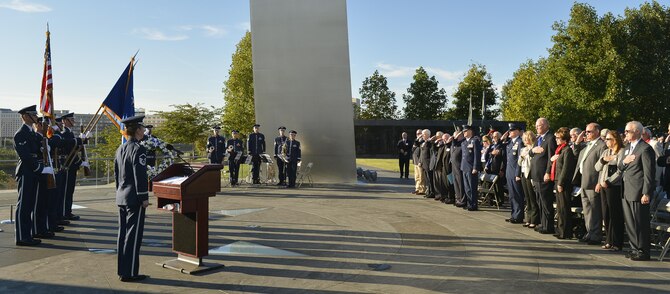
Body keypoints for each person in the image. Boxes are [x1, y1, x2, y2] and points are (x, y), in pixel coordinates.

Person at [114, 115, 150, 282]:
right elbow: (140, 175)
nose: (144, 131)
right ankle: (130, 273)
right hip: (134, 198)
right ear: (136, 130)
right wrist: (144, 197)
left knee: (123, 235)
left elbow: (117, 175)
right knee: (133, 237)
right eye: (142, 128)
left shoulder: (120, 149)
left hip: (122, 197)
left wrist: (119, 193)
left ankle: (123, 270)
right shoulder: (138, 149)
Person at [618, 121, 655, 261]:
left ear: (638, 132)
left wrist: (647, 192)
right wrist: (624, 162)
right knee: (630, 222)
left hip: (638, 191)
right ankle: (634, 248)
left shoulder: (645, 149)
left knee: (640, 222)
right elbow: (620, 168)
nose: (625, 133)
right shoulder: (628, 148)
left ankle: (643, 250)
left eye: (628, 131)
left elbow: (649, 173)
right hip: (627, 190)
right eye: (625, 131)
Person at [13, 105, 44, 246]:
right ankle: (21, 237)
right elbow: (25, 156)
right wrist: (38, 167)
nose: (36, 117)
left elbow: (37, 150)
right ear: (25, 116)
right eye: (33, 114)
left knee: (30, 203)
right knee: (24, 204)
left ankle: (28, 235)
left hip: (33, 171)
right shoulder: (20, 133)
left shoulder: (32, 133)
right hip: (26, 171)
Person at [572, 123, 606, 245]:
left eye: (589, 132)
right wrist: (577, 142)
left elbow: (603, 166)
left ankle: (596, 235)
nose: (587, 134)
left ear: (597, 131)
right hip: (583, 181)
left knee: (595, 210)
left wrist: (599, 182)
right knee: (587, 209)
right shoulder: (587, 145)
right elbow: (576, 155)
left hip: (593, 182)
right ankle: (589, 232)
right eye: (586, 132)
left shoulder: (601, 145)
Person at [594, 130, 625, 251]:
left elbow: (620, 171)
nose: (606, 141)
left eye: (608, 139)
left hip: (614, 186)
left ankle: (617, 241)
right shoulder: (606, 151)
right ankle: (608, 240)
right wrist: (603, 160)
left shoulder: (621, 152)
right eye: (605, 139)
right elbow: (597, 167)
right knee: (606, 213)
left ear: (615, 140)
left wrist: (608, 181)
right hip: (603, 185)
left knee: (615, 214)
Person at [529, 118, 556, 234]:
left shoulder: (550, 138)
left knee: (546, 202)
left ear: (545, 125)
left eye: (539, 125)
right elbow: (531, 153)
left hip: (543, 175)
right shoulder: (539, 138)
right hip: (536, 175)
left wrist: (548, 172)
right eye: (536, 125)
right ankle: (543, 223)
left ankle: (548, 226)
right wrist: (533, 150)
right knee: (539, 201)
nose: (537, 127)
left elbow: (551, 157)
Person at [551, 127, 576, 239]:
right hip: (558, 180)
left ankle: (566, 232)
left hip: (563, 182)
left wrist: (560, 183)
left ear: (564, 139)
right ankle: (560, 229)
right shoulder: (560, 150)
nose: (556, 139)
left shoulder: (567, 150)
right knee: (560, 208)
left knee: (564, 207)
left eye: (558, 138)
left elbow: (566, 169)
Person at [60, 113, 83, 221]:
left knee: (70, 190)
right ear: (64, 121)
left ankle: (67, 211)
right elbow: (69, 149)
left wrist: (83, 141)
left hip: (72, 165)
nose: (73, 121)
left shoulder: (70, 133)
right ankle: (64, 212)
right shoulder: (64, 133)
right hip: (67, 165)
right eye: (71, 119)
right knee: (66, 191)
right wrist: (77, 141)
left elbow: (75, 149)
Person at [501, 124, 524, 223]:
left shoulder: (520, 142)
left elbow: (520, 160)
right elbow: (501, 147)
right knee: (512, 195)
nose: (510, 132)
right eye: (509, 131)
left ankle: (518, 216)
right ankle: (514, 214)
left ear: (518, 131)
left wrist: (518, 174)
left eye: (512, 130)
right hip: (509, 172)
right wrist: (503, 138)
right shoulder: (510, 143)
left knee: (517, 195)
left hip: (515, 172)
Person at [519, 130, 539, 228]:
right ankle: (528, 218)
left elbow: (533, 161)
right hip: (523, 173)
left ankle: (534, 220)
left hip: (530, 173)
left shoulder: (535, 148)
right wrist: (522, 157)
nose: (526, 141)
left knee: (532, 198)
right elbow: (519, 162)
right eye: (525, 139)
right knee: (527, 198)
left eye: (528, 139)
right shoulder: (523, 149)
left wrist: (527, 156)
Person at [461, 125, 482, 211]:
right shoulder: (464, 142)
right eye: (463, 131)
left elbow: (477, 155)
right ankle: (469, 203)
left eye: (465, 131)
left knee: (472, 187)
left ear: (470, 131)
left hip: (471, 168)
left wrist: (475, 167)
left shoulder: (475, 141)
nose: (464, 133)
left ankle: (473, 204)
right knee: (467, 188)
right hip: (464, 167)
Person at [451, 130, 465, 207]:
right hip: (454, 166)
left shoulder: (462, 143)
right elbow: (453, 142)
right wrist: (455, 137)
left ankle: (462, 200)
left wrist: (458, 134)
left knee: (460, 184)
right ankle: (458, 198)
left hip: (459, 166)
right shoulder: (455, 144)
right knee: (456, 184)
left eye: (456, 136)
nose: (454, 137)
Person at [419, 129, 435, 198]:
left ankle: (432, 192)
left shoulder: (430, 143)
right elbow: (421, 153)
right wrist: (420, 161)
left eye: (424, 134)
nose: (422, 136)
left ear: (428, 135)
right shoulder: (423, 142)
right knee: (426, 179)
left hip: (428, 163)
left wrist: (429, 141)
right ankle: (428, 191)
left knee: (430, 179)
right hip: (423, 163)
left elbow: (431, 153)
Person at [412, 129, 426, 195]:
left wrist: (420, 161)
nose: (418, 135)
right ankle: (417, 188)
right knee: (417, 176)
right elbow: (413, 149)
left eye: (419, 133)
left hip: (420, 161)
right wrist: (417, 139)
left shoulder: (423, 141)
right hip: (415, 160)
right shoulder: (417, 141)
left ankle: (422, 189)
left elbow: (422, 153)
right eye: (417, 133)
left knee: (421, 177)